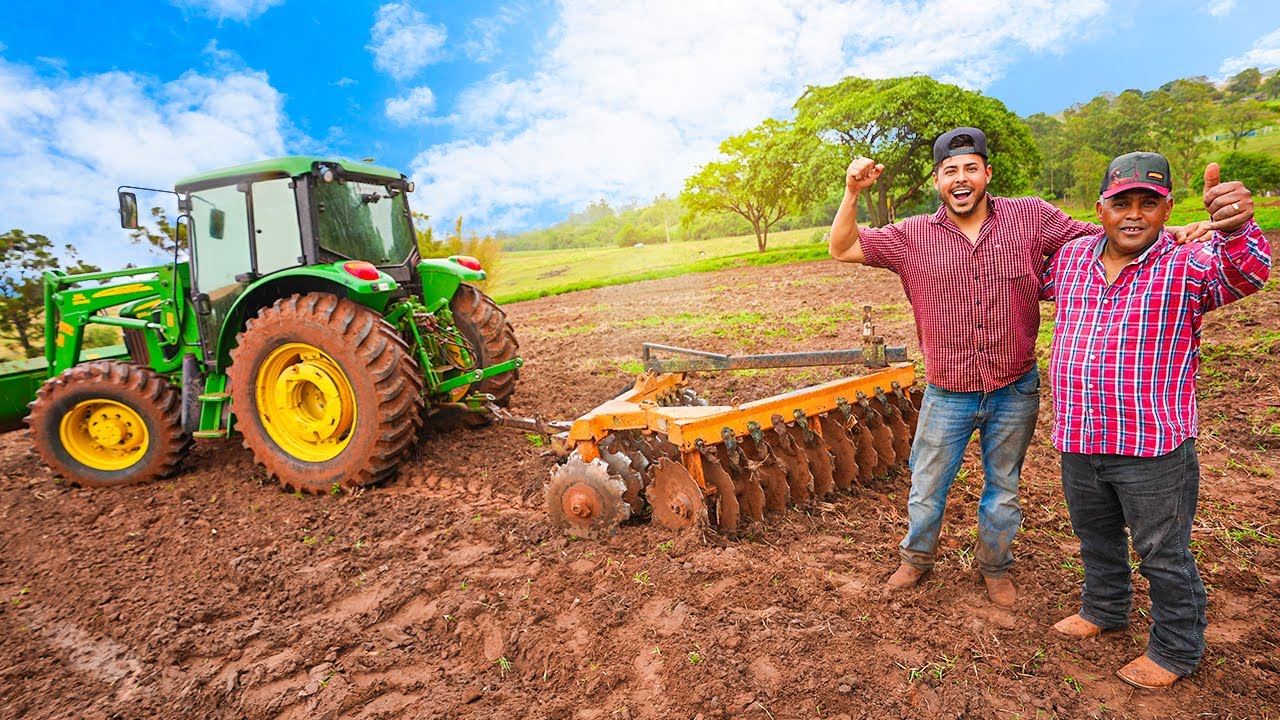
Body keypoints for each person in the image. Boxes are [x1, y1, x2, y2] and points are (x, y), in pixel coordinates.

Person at [828, 127, 1102, 608]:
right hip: (948, 391)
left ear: (986, 174)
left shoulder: (1031, 216)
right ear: (938, 181)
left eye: (970, 168)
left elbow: (1101, 239)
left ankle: (995, 566)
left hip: (1014, 386)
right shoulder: (910, 236)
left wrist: (1176, 233)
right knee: (928, 485)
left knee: (1004, 488)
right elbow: (843, 247)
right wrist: (852, 193)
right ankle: (916, 558)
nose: (961, 178)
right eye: (950, 171)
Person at [1041, 152, 1270, 689]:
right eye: (1122, 202)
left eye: (1149, 203)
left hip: (1152, 446)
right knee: (1094, 536)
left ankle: (1175, 649)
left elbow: (1248, 271)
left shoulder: (1189, 262)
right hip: (1080, 436)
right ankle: (1104, 608)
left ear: (1167, 210)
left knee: (1163, 554)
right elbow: (1018, 278)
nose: (1134, 214)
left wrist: (1236, 226)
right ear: (1101, 208)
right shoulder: (1072, 258)